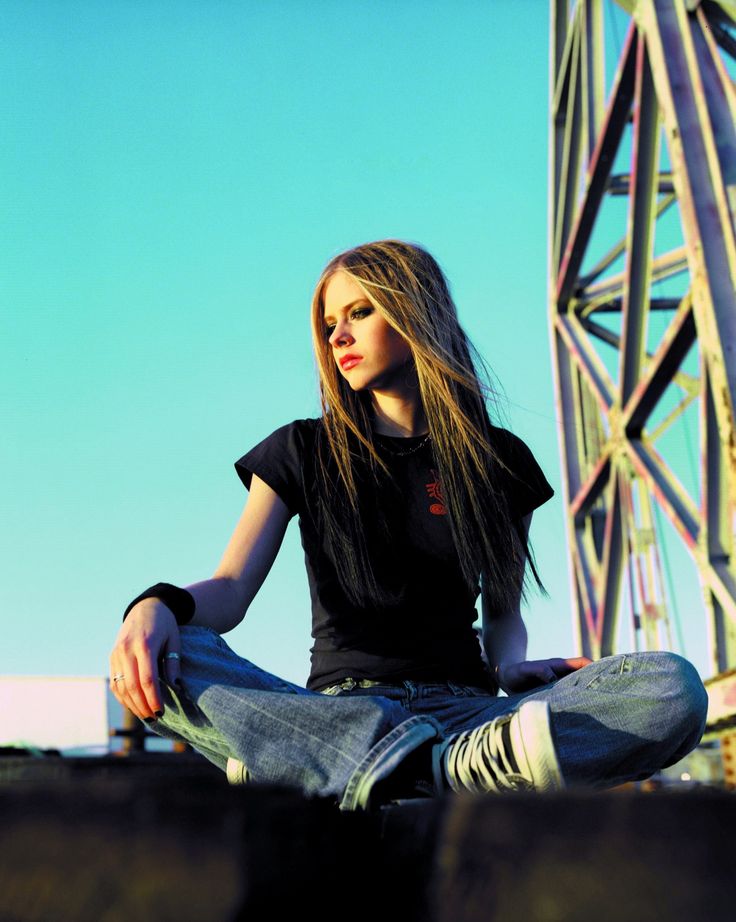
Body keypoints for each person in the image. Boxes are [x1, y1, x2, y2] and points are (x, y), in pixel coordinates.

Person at [109, 239, 708, 810]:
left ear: (415, 313)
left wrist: (509, 670)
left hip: (471, 719)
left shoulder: (499, 461)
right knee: (170, 652)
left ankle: (322, 765)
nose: (338, 335)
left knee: (670, 688)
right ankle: (362, 757)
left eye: (359, 312)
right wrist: (153, 606)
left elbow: (502, 615)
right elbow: (231, 589)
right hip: (341, 709)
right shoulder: (302, 448)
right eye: (328, 325)